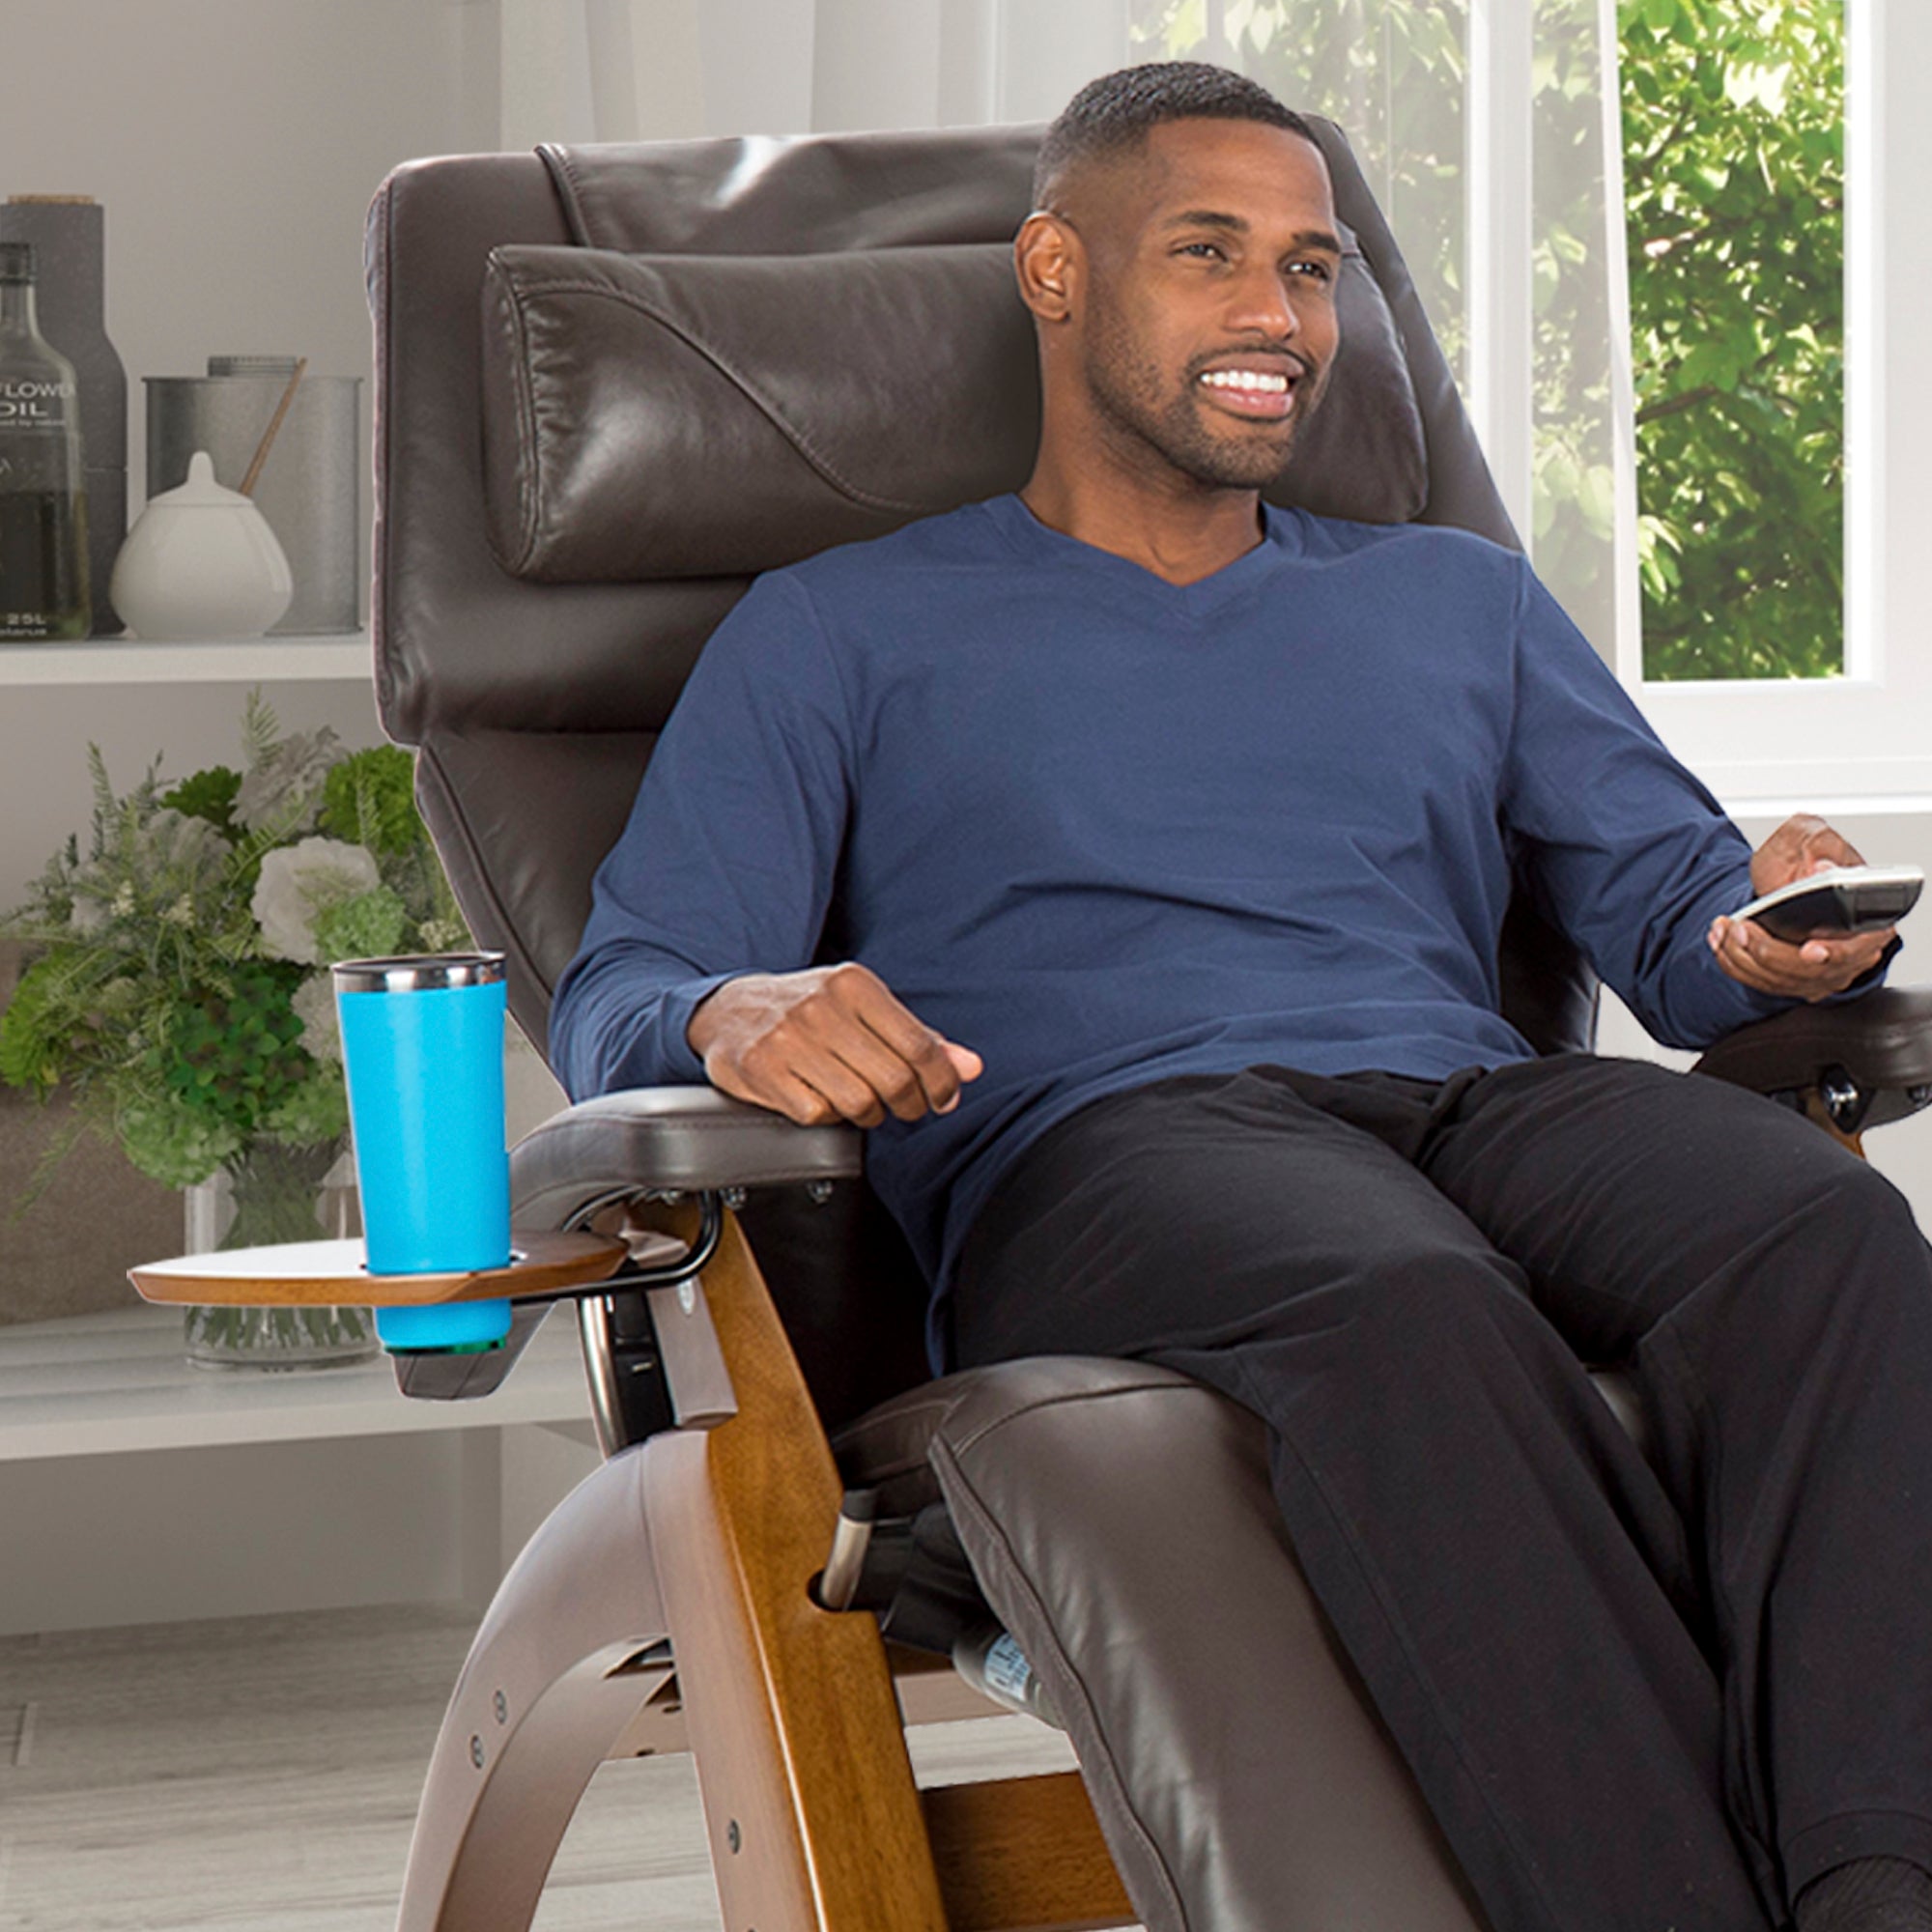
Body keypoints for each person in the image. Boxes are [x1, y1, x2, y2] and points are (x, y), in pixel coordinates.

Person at [551, 61, 1932, 1932]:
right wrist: (735, 1011)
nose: (1279, 316)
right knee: (1409, 1305)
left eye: (1311, 266)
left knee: (1823, 1232)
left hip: (1468, 1103)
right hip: (1102, 1145)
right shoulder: (839, 626)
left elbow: (1677, 913)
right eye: (1209, 254)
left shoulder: (1459, 602)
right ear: (1055, 269)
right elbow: (627, 979)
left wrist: (1767, 933)